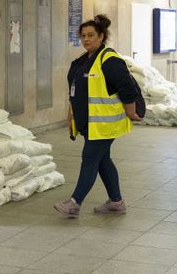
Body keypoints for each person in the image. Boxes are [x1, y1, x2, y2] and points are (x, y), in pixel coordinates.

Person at [53, 14, 142, 218]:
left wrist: (130, 111)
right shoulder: (81, 62)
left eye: (91, 35)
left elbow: (127, 87)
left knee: (90, 158)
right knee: (103, 161)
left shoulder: (109, 60)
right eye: (83, 35)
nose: (86, 39)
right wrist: (71, 115)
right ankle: (116, 202)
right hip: (89, 123)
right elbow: (75, 92)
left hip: (105, 123)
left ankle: (74, 203)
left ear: (101, 37)